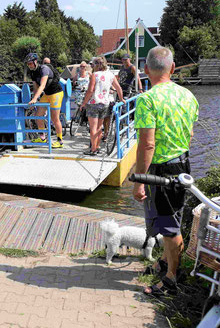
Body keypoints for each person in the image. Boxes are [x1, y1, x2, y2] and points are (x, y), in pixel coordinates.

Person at [132, 47, 198, 296]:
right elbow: (190, 134)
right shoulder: (188, 96)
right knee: (171, 218)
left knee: (170, 227)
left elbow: (147, 144)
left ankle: (172, 278)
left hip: (162, 170)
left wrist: (139, 181)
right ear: (172, 68)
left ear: (146, 69)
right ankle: (164, 261)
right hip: (183, 164)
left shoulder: (147, 99)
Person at [80, 56, 124, 155]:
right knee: (100, 128)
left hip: (93, 104)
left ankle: (93, 149)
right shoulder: (110, 75)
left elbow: (90, 91)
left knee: (93, 128)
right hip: (105, 104)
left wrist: (83, 103)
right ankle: (97, 146)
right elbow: (118, 88)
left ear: (96, 65)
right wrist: (122, 99)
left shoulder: (95, 75)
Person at [25, 53, 64, 149]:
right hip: (47, 94)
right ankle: (42, 137)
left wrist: (34, 99)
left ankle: (60, 141)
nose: (29, 66)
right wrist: (35, 99)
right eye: (27, 64)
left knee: (55, 118)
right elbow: (36, 87)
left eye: (30, 63)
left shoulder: (44, 69)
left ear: (35, 62)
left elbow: (42, 85)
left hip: (56, 93)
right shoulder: (32, 72)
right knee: (38, 115)